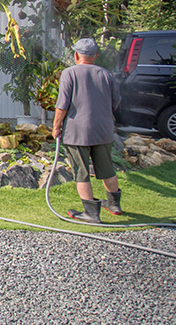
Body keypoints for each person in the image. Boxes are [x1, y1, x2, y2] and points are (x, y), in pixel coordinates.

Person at [51, 38, 122, 224]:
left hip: (77, 132)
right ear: (95, 56)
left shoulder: (69, 73)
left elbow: (62, 105)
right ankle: (114, 205)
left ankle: (91, 213)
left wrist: (56, 126)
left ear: (75, 55)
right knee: (107, 169)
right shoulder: (106, 74)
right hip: (103, 130)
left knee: (80, 172)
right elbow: (116, 101)